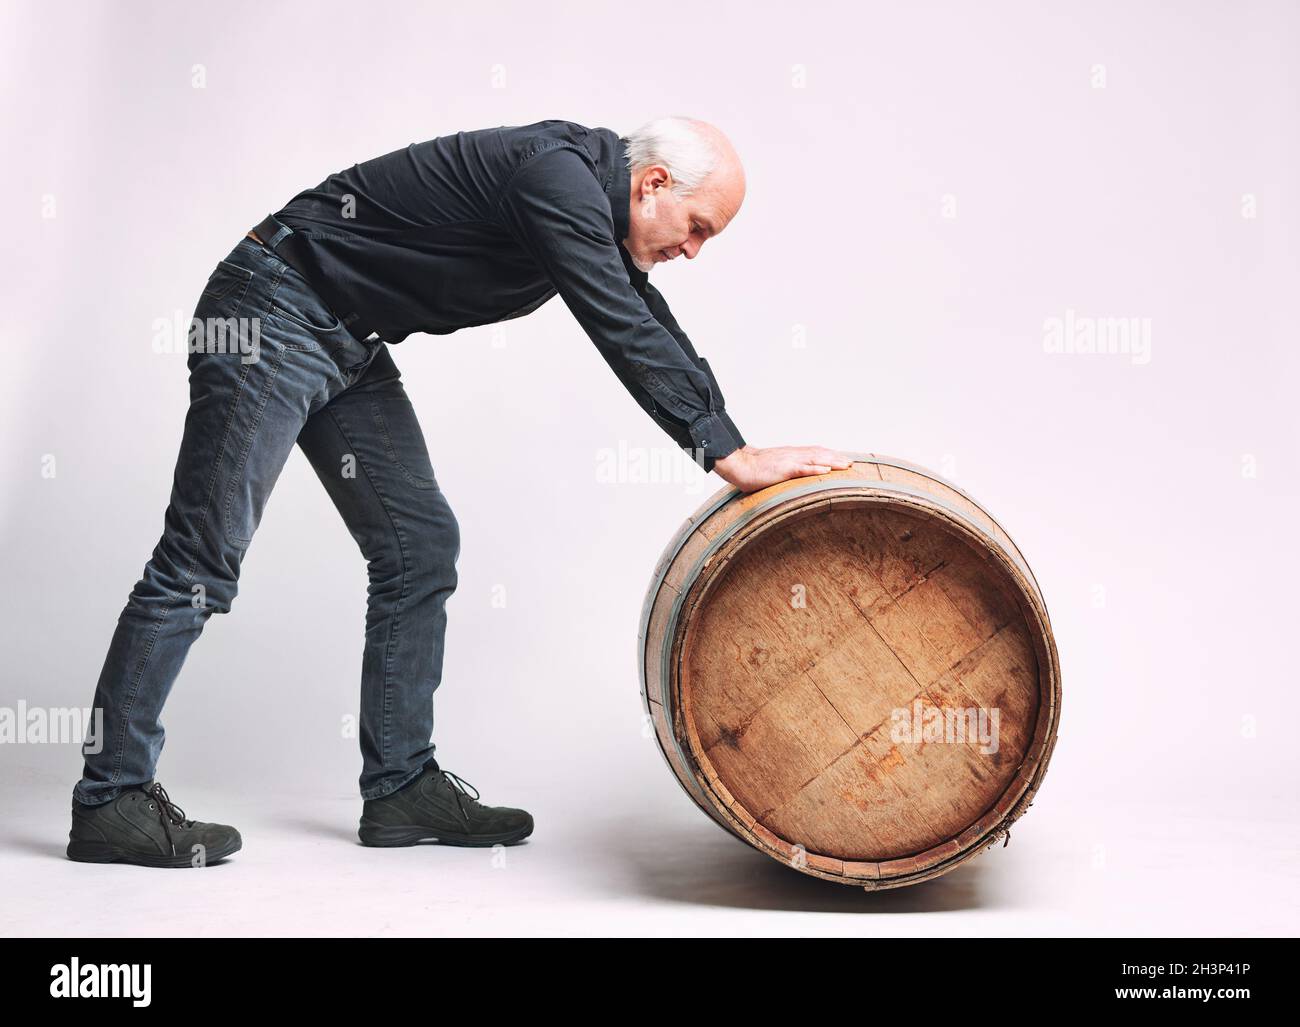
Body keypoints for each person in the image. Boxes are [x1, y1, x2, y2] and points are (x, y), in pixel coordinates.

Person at [67, 116, 852, 867]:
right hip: (272, 309)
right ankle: (112, 797)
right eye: (699, 227)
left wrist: (733, 438)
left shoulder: (584, 197)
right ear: (651, 183)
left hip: (344, 336)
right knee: (201, 559)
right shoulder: (559, 179)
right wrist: (726, 453)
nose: (694, 249)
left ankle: (402, 786)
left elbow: (643, 311)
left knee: (420, 546)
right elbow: (618, 321)